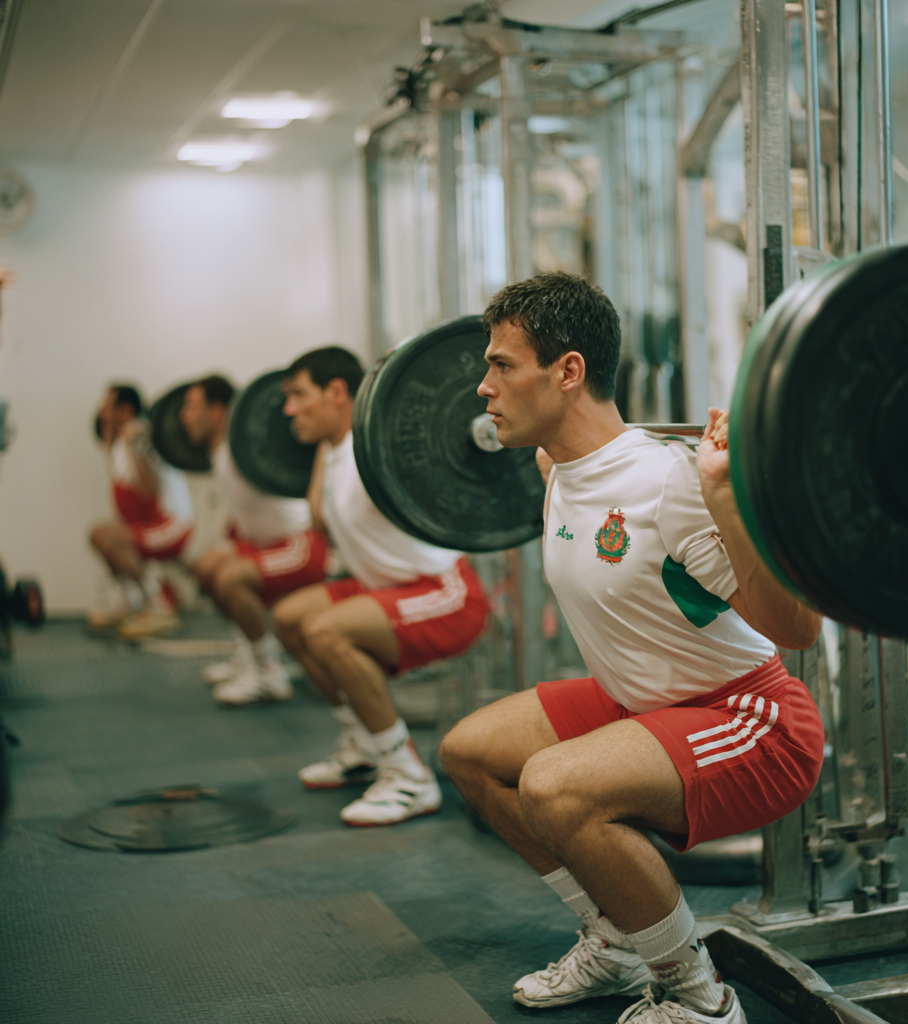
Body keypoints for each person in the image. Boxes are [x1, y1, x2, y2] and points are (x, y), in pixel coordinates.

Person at [438, 274, 824, 1024]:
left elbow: (800, 630)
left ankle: (699, 995)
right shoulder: (557, 465)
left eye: (502, 366)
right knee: (471, 752)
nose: (483, 388)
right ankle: (616, 938)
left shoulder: (671, 483)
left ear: (569, 371)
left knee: (553, 786)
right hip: (641, 700)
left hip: (751, 716)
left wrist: (723, 498)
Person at [272, 347, 489, 827]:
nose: (289, 410)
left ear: (336, 393)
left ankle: (409, 777)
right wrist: (320, 451)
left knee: (326, 631)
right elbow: (318, 521)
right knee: (290, 619)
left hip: (446, 593)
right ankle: (364, 745)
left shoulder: (377, 446)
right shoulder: (334, 451)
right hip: (385, 588)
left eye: (299, 396)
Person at [179, 375, 329, 706]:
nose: (183, 416)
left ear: (218, 411)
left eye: (192, 407)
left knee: (230, 578)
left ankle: (269, 673)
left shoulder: (243, 444)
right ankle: (249, 653)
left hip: (298, 541)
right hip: (262, 542)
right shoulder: (219, 451)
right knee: (205, 566)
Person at [89, 384, 194, 639]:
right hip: (153, 523)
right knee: (101, 536)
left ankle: (159, 605)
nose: (102, 414)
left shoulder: (141, 436)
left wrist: (133, 446)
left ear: (125, 410)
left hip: (173, 524)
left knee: (107, 537)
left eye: (107, 407)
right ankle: (133, 602)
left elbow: (149, 489)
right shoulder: (119, 444)